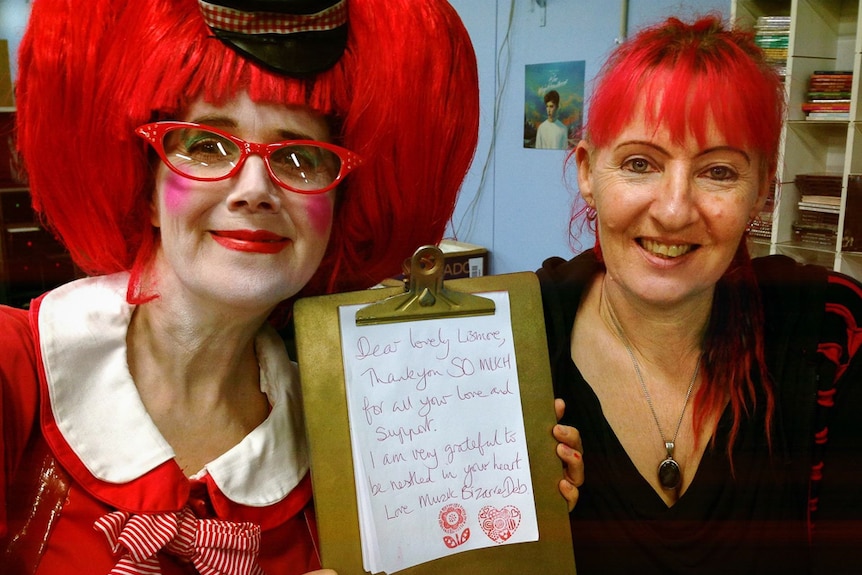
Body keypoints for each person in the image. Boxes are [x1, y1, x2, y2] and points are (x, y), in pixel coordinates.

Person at [0, 0, 478, 573]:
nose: (254, 189)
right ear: (147, 189)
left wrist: (518, 490)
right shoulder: (15, 371)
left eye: (300, 158)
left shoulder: (354, 442)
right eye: (206, 146)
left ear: (338, 207)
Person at [545, 15, 862, 575]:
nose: (673, 210)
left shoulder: (830, 335)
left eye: (718, 172)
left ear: (761, 191)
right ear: (588, 171)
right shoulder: (512, 337)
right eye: (640, 163)